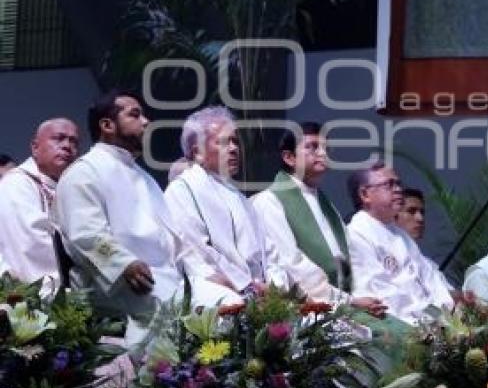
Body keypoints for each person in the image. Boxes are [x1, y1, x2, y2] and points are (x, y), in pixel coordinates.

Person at [54, 91, 240, 345]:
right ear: (107, 125)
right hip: (120, 285)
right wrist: (123, 264)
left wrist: (205, 273)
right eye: (134, 114)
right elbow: (86, 235)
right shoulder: (84, 172)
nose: (146, 122)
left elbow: (176, 240)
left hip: (166, 279)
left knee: (232, 303)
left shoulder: (145, 178)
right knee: (209, 316)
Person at [252, 122, 385, 316]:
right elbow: (291, 262)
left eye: (325, 148)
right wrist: (349, 301)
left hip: (351, 301)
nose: (323, 153)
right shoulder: (269, 201)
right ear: (289, 157)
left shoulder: (324, 203)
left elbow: (351, 253)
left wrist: (365, 295)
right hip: (312, 307)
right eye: (313, 147)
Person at [164, 106, 288, 292]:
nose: (234, 149)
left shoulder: (239, 197)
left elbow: (269, 253)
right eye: (223, 142)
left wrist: (275, 287)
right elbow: (195, 251)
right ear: (197, 152)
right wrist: (247, 286)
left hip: (263, 297)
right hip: (223, 294)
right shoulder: (182, 191)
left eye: (235, 142)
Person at [346, 161, 454, 323]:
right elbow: (381, 296)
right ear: (365, 194)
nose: (398, 189)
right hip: (402, 328)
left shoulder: (400, 234)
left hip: (434, 321)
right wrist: (430, 320)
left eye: (398, 183)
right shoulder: (356, 234)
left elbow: (430, 279)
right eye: (389, 184)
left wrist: (444, 313)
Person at [0, 119, 79, 287]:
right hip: (33, 296)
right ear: (35, 147)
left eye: (74, 142)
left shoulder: (72, 188)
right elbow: (32, 245)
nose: (67, 146)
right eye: (59, 138)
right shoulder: (16, 183)